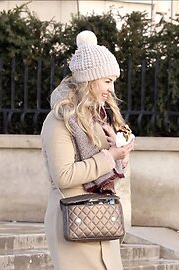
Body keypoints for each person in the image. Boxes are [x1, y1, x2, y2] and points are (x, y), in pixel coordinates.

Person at [41, 30, 134, 270]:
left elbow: (110, 170)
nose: (111, 90)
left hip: (102, 219)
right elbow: (64, 176)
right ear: (90, 79)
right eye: (107, 81)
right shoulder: (60, 119)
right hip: (73, 221)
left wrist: (119, 152)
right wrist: (109, 156)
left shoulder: (101, 119)